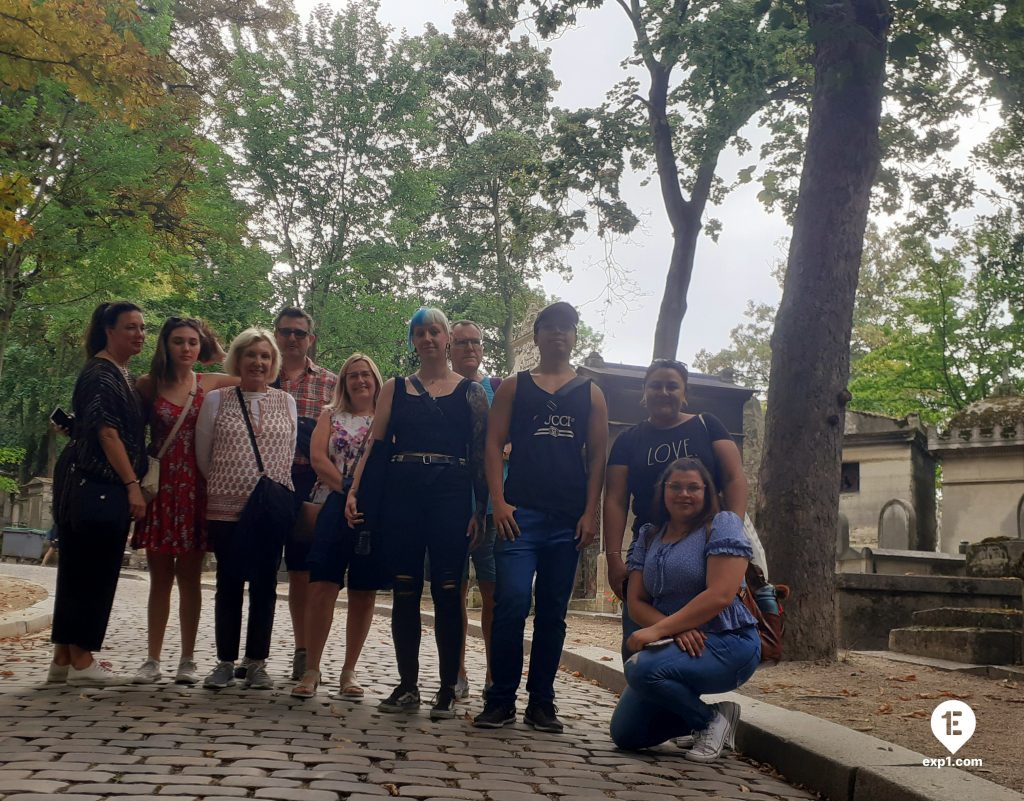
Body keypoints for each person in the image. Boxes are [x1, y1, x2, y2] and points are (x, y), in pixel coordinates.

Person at [346, 307, 488, 720]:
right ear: (413, 340)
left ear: (447, 339)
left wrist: (480, 507)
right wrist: (357, 489)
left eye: (435, 332)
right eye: (420, 332)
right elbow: (375, 443)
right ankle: (407, 685)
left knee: (447, 588)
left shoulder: (471, 393)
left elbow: (479, 455)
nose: (428, 339)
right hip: (403, 492)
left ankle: (446, 687)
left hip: (451, 491)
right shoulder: (394, 388)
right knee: (405, 587)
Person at [473, 301, 609, 733]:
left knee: (552, 612)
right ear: (537, 337)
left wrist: (590, 514)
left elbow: (599, 457)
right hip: (520, 515)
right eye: (549, 327)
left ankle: (542, 703)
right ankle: (500, 699)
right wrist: (499, 499)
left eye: (566, 328)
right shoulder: (516, 387)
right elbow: (493, 445)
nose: (558, 335)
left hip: (567, 520)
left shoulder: (590, 393)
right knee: (511, 602)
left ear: (574, 337)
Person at [604, 358, 756, 663]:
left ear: (684, 392)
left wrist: (730, 530)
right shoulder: (628, 441)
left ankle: (695, 694)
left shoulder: (707, 425)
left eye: (672, 386)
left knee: (703, 634)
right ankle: (646, 687)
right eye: (655, 386)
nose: (663, 392)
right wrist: (614, 557)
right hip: (651, 545)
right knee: (639, 635)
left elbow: (734, 477)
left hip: (706, 543)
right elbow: (616, 499)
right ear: (644, 392)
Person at [609, 457, 760, 762]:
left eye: (694, 487)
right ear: (662, 492)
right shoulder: (649, 535)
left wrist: (661, 630)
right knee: (626, 734)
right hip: (677, 643)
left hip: (728, 643)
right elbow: (636, 601)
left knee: (640, 669)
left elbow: (720, 594)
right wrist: (675, 629)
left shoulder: (723, 524)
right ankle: (713, 714)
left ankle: (708, 722)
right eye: (675, 486)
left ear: (707, 492)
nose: (684, 493)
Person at [130, 317, 237, 685]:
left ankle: (188, 658)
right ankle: (152, 658)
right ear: (166, 345)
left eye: (194, 342)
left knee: (190, 577)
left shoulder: (208, 384)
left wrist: (216, 348)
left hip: (196, 489)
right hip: (160, 489)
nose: (187, 349)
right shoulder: (148, 385)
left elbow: (252, 375)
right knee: (160, 577)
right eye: (179, 341)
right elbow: (128, 429)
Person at [49, 301, 148, 686]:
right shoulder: (102, 373)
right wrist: (132, 484)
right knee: (92, 570)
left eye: (142, 327)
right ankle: (82, 659)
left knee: (78, 569)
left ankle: (62, 657)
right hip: (98, 485)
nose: (139, 334)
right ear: (108, 330)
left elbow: (93, 427)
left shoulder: (118, 373)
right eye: (130, 327)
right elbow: (108, 433)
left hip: (93, 483)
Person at [196, 328, 297, 690]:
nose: (258, 362)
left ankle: (256, 661)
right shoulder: (217, 401)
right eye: (251, 354)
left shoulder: (286, 402)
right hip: (227, 507)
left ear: (273, 363)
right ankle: (224, 660)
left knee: (266, 584)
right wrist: (232, 483)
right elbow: (203, 455)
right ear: (237, 359)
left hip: (270, 509)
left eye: (265, 356)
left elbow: (288, 452)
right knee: (229, 582)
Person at [290, 352, 386, 700]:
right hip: (332, 503)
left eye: (366, 375)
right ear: (343, 383)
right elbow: (318, 459)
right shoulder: (330, 416)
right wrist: (348, 491)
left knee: (363, 590)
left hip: (372, 511)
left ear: (376, 380)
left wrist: (362, 496)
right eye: (352, 376)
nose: (360, 381)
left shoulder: (386, 419)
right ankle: (312, 668)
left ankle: (349, 671)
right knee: (322, 586)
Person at [272, 307, 337, 683]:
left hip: (311, 481)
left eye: (299, 333)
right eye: (286, 332)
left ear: (310, 338)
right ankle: (254, 655)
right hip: (266, 481)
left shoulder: (329, 383)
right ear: (276, 335)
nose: (292, 338)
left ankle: (303, 650)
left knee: (303, 570)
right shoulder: (261, 373)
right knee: (263, 569)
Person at [449, 319, 500, 700]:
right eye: (462, 342)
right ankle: (457, 670)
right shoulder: (442, 390)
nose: (469, 348)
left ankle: (493, 675)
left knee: (493, 593)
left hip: (491, 511)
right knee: (454, 593)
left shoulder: (498, 390)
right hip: (450, 506)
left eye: (475, 342)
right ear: (450, 347)